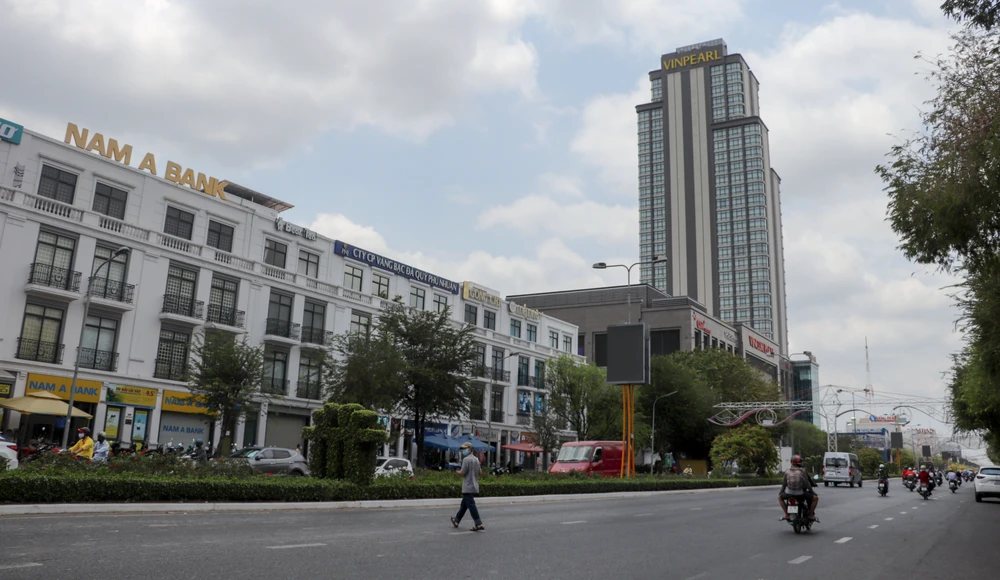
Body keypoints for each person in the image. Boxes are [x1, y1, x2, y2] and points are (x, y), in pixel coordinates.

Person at [450, 442, 484, 532]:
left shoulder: (466, 460)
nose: (463, 451)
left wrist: (456, 471)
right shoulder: (476, 459)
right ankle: (456, 520)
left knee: (471, 505)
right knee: (464, 505)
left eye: (464, 449)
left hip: (467, 486)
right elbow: (480, 473)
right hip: (474, 485)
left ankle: (478, 523)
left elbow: (462, 473)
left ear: (469, 449)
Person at [779, 455, 818, 521]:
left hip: (789, 493)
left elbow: (784, 484)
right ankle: (811, 515)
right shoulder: (802, 471)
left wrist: (780, 493)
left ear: (792, 462)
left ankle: (786, 515)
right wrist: (813, 492)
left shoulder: (787, 471)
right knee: (815, 498)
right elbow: (807, 483)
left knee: (779, 497)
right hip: (800, 494)